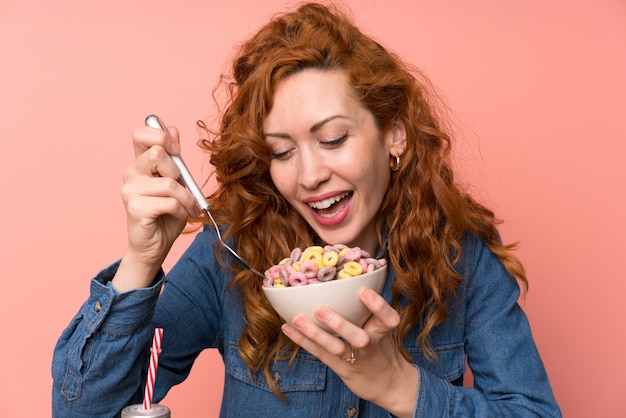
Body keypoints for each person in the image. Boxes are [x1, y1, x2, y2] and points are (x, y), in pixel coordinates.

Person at [52, 3, 561, 417]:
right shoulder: (232, 250)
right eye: (282, 151)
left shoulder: (461, 257)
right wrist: (140, 263)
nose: (309, 175)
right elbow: (83, 410)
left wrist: (402, 387)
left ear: (394, 135)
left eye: (333, 138)